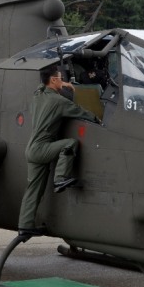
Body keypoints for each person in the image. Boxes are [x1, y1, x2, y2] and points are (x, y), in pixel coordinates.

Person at [18, 64, 100, 236]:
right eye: (60, 79)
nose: (63, 82)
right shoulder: (59, 101)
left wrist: (61, 84)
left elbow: (41, 85)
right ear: (53, 79)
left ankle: (24, 226)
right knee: (70, 143)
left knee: (34, 190)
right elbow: (82, 113)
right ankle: (60, 178)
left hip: (32, 149)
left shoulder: (38, 96)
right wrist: (97, 118)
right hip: (42, 149)